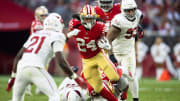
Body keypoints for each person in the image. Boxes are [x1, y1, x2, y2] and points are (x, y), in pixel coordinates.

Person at [6, 15, 86, 101]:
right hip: (36, 67)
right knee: (55, 96)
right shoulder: (58, 35)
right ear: (58, 25)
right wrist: (76, 78)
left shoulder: (35, 34)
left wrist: (13, 77)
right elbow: (61, 61)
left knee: (16, 99)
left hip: (21, 68)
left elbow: (18, 57)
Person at [67, 4, 121, 101]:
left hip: (98, 55)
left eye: (90, 18)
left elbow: (104, 39)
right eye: (86, 19)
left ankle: (120, 69)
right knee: (97, 88)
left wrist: (105, 44)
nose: (88, 21)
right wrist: (68, 35)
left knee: (114, 77)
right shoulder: (74, 25)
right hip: (86, 60)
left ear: (94, 18)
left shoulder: (100, 26)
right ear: (81, 18)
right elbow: (64, 39)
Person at [107, 0, 144, 101]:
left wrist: (139, 28)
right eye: (128, 11)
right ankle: (118, 97)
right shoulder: (119, 21)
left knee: (132, 76)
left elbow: (136, 23)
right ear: (123, 10)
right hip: (116, 52)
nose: (131, 13)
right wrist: (111, 55)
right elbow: (108, 39)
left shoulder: (139, 15)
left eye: (133, 10)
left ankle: (135, 99)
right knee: (115, 78)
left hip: (128, 52)